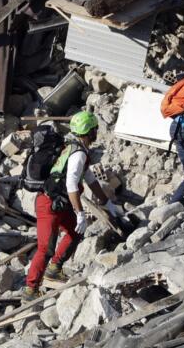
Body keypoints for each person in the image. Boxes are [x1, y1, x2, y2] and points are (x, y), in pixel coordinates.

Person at [24, 111, 121, 298]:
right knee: (45, 248)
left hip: (60, 203)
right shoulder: (77, 154)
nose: (96, 132)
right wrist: (80, 213)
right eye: (94, 129)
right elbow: (70, 184)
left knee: (75, 233)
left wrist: (107, 202)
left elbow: (91, 179)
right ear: (89, 131)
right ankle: (30, 289)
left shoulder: (76, 148)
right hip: (49, 204)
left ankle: (54, 268)